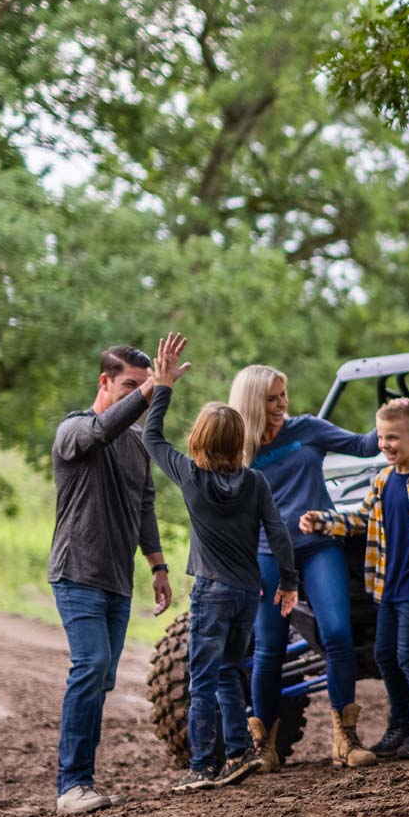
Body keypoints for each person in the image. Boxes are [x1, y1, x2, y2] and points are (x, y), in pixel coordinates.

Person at [142, 333, 300, 792]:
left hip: (211, 592)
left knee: (202, 680)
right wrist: (288, 581)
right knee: (230, 673)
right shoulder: (255, 482)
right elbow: (278, 533)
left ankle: (201, 766)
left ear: (198, 439)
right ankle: (239, 752)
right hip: (248, 594)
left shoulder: (191, 477)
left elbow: (151, 437)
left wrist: (163, 385)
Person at [230, 363, 381, 769]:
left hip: (318, 546)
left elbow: (364, 445)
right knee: (269, 648)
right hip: (267, 555)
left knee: (337, 634)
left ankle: (345, 739)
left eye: (283, 395)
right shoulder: (238, 448)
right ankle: (264, 746)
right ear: (252, 402)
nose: (282, 404)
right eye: (271, 398)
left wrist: (392, 417)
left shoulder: (308, 429)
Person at [49, 345, 173, 816]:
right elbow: (103, 430)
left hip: (119, 581)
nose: (137, 395)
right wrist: (153, 388)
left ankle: (82, 781)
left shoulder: (137, 444)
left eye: (142, 385)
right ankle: (72, 786)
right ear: (104, 382)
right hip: (77, 573)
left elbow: (145, 506)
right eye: (128, 386)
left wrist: (158, 567)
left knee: (100, 678)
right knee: (91, 665)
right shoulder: (74, 429)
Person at [300, 398, 409, 760]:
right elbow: (360, 518)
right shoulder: (383, 480)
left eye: (393, 438)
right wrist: (323, 521)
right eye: (382, 437)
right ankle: (399, 723)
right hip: (387, 587)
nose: (385, 445)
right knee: (384, 654)